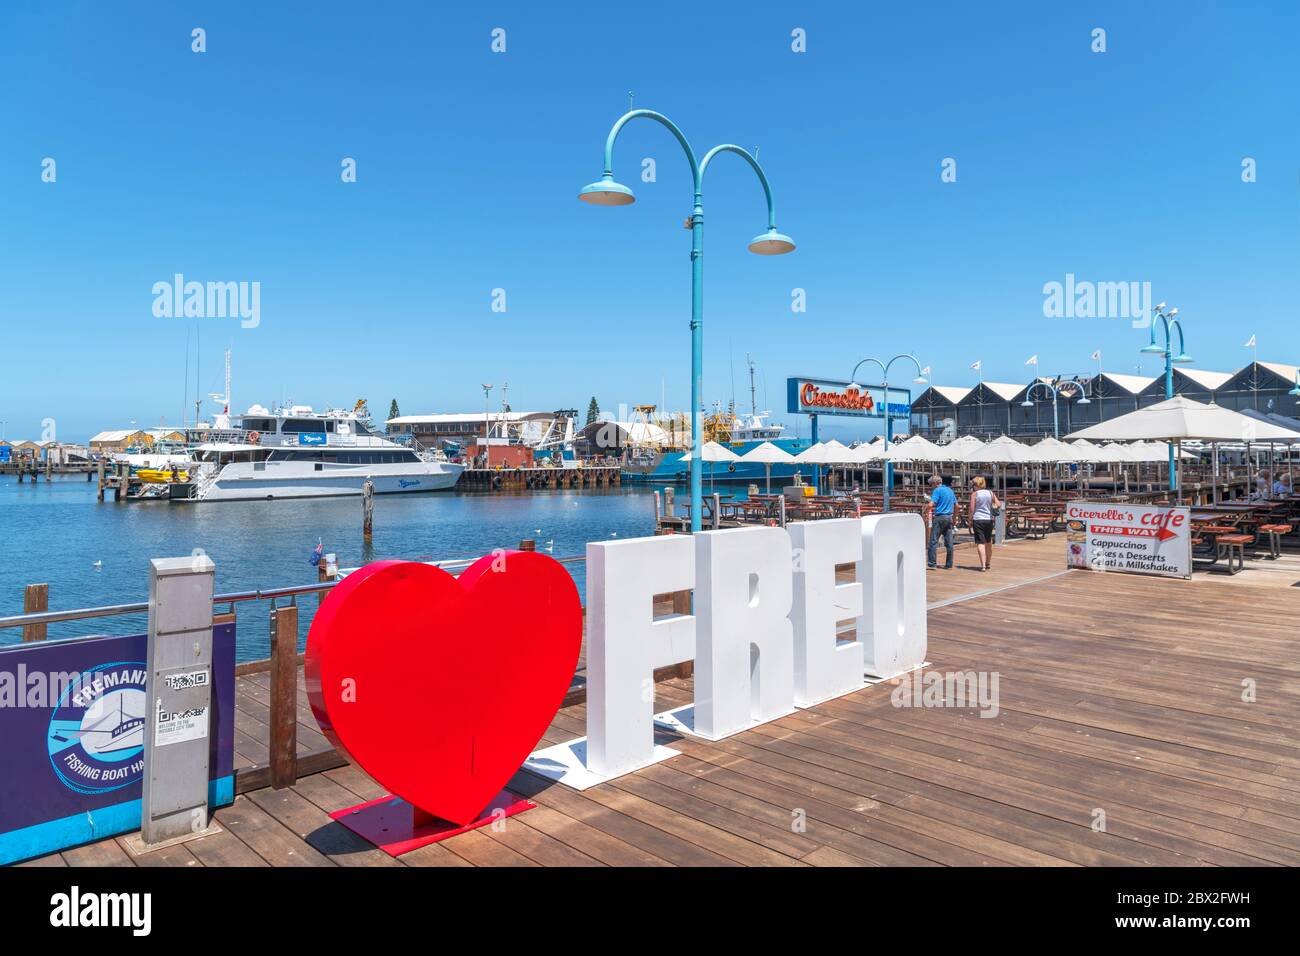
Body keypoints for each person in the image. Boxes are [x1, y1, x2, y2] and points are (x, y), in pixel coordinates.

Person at [969, 475, 1001, 572]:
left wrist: (970, 520)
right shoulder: (990, 493)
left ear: (976, 485)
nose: (973, 487)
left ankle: (982, 565)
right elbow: (999, 504)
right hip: (988, 519)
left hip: (978, 519)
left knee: (980, 542)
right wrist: (992, 508)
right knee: (988, 542)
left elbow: (971, 509)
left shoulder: (974, 494)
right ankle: (987, 563)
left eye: (973, 485)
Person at [926, 475, 955, 570]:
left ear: (935, 483)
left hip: (939, 517)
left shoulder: (937, 490)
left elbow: (931, 504)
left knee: (933, 541)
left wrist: (925, 512)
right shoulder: (950, 491)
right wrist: (954, 517)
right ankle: (949, 564)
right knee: (949, 542)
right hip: (949, 517)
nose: (931, 487)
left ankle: (932, 564)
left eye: (931, 485)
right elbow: (957, 506)